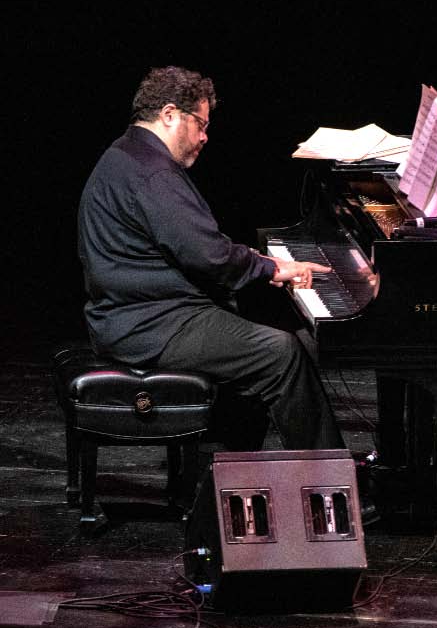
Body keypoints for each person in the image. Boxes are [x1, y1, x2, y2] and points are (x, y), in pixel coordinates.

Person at [78, 65, 343, 451]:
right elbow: (207, 255)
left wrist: (257, 264)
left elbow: (192, 244)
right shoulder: (153, 174)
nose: (205, 136)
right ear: (169, 115)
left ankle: (228, 471)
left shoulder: (126, 154)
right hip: (150, 326)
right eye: (200, 124)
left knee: (271, 337)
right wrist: (270, 266)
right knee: (281, 354)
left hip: (136, 314)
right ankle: (329, 483)